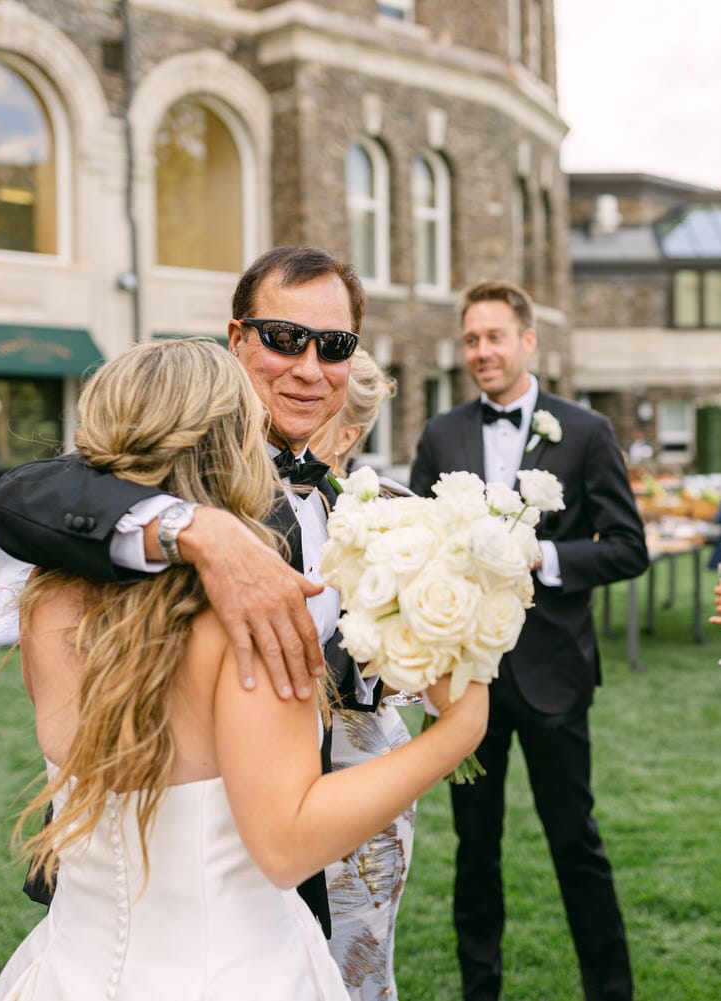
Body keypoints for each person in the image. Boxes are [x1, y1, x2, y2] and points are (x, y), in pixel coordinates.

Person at [0, 339, 488, 1000]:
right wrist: (458, 727)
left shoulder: (47, 602)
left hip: (72, 967)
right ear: (230, 444)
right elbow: (286, 843)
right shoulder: (250, 620)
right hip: (234, 971)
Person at [0, 246, 379, 942]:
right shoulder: (164, 468)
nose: (310, 367)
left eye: (335, 345)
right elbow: (25, 498)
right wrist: (196, 527)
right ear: (237, 339)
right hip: (145, 872)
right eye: (286, 339)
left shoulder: (339, 491)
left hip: (281, 867)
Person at [409, 279, 648, 1001]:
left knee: (574, 839)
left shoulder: (585, 429)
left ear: (527, 340)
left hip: (552, 670)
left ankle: (611, 988)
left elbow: (628, 547)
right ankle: (480, 988)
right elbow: (421, 540)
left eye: (495, 337)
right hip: (466, 674)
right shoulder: (441, 434)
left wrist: (545, 556)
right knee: (474, 848)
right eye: (472, 339)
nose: (482, 351)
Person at [306, 349, 414, 1000]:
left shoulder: (391, 519)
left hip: (358, 755)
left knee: (356, 954)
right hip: (276, 768)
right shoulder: (255, 504)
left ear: (347, 433)